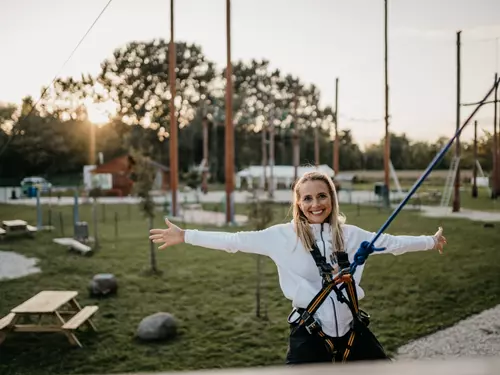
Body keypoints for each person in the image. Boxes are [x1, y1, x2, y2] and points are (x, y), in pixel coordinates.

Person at [149, 171, 447, 364]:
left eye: (322, 196)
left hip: (353, 329)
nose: (315, 204)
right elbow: (234, 240)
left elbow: (392, 243)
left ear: (331, 198)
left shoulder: (353, 236)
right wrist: (186, 235)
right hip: (309, 332)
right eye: (307, 198)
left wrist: (430, 242)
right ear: (298, 202)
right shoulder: (282, 237)